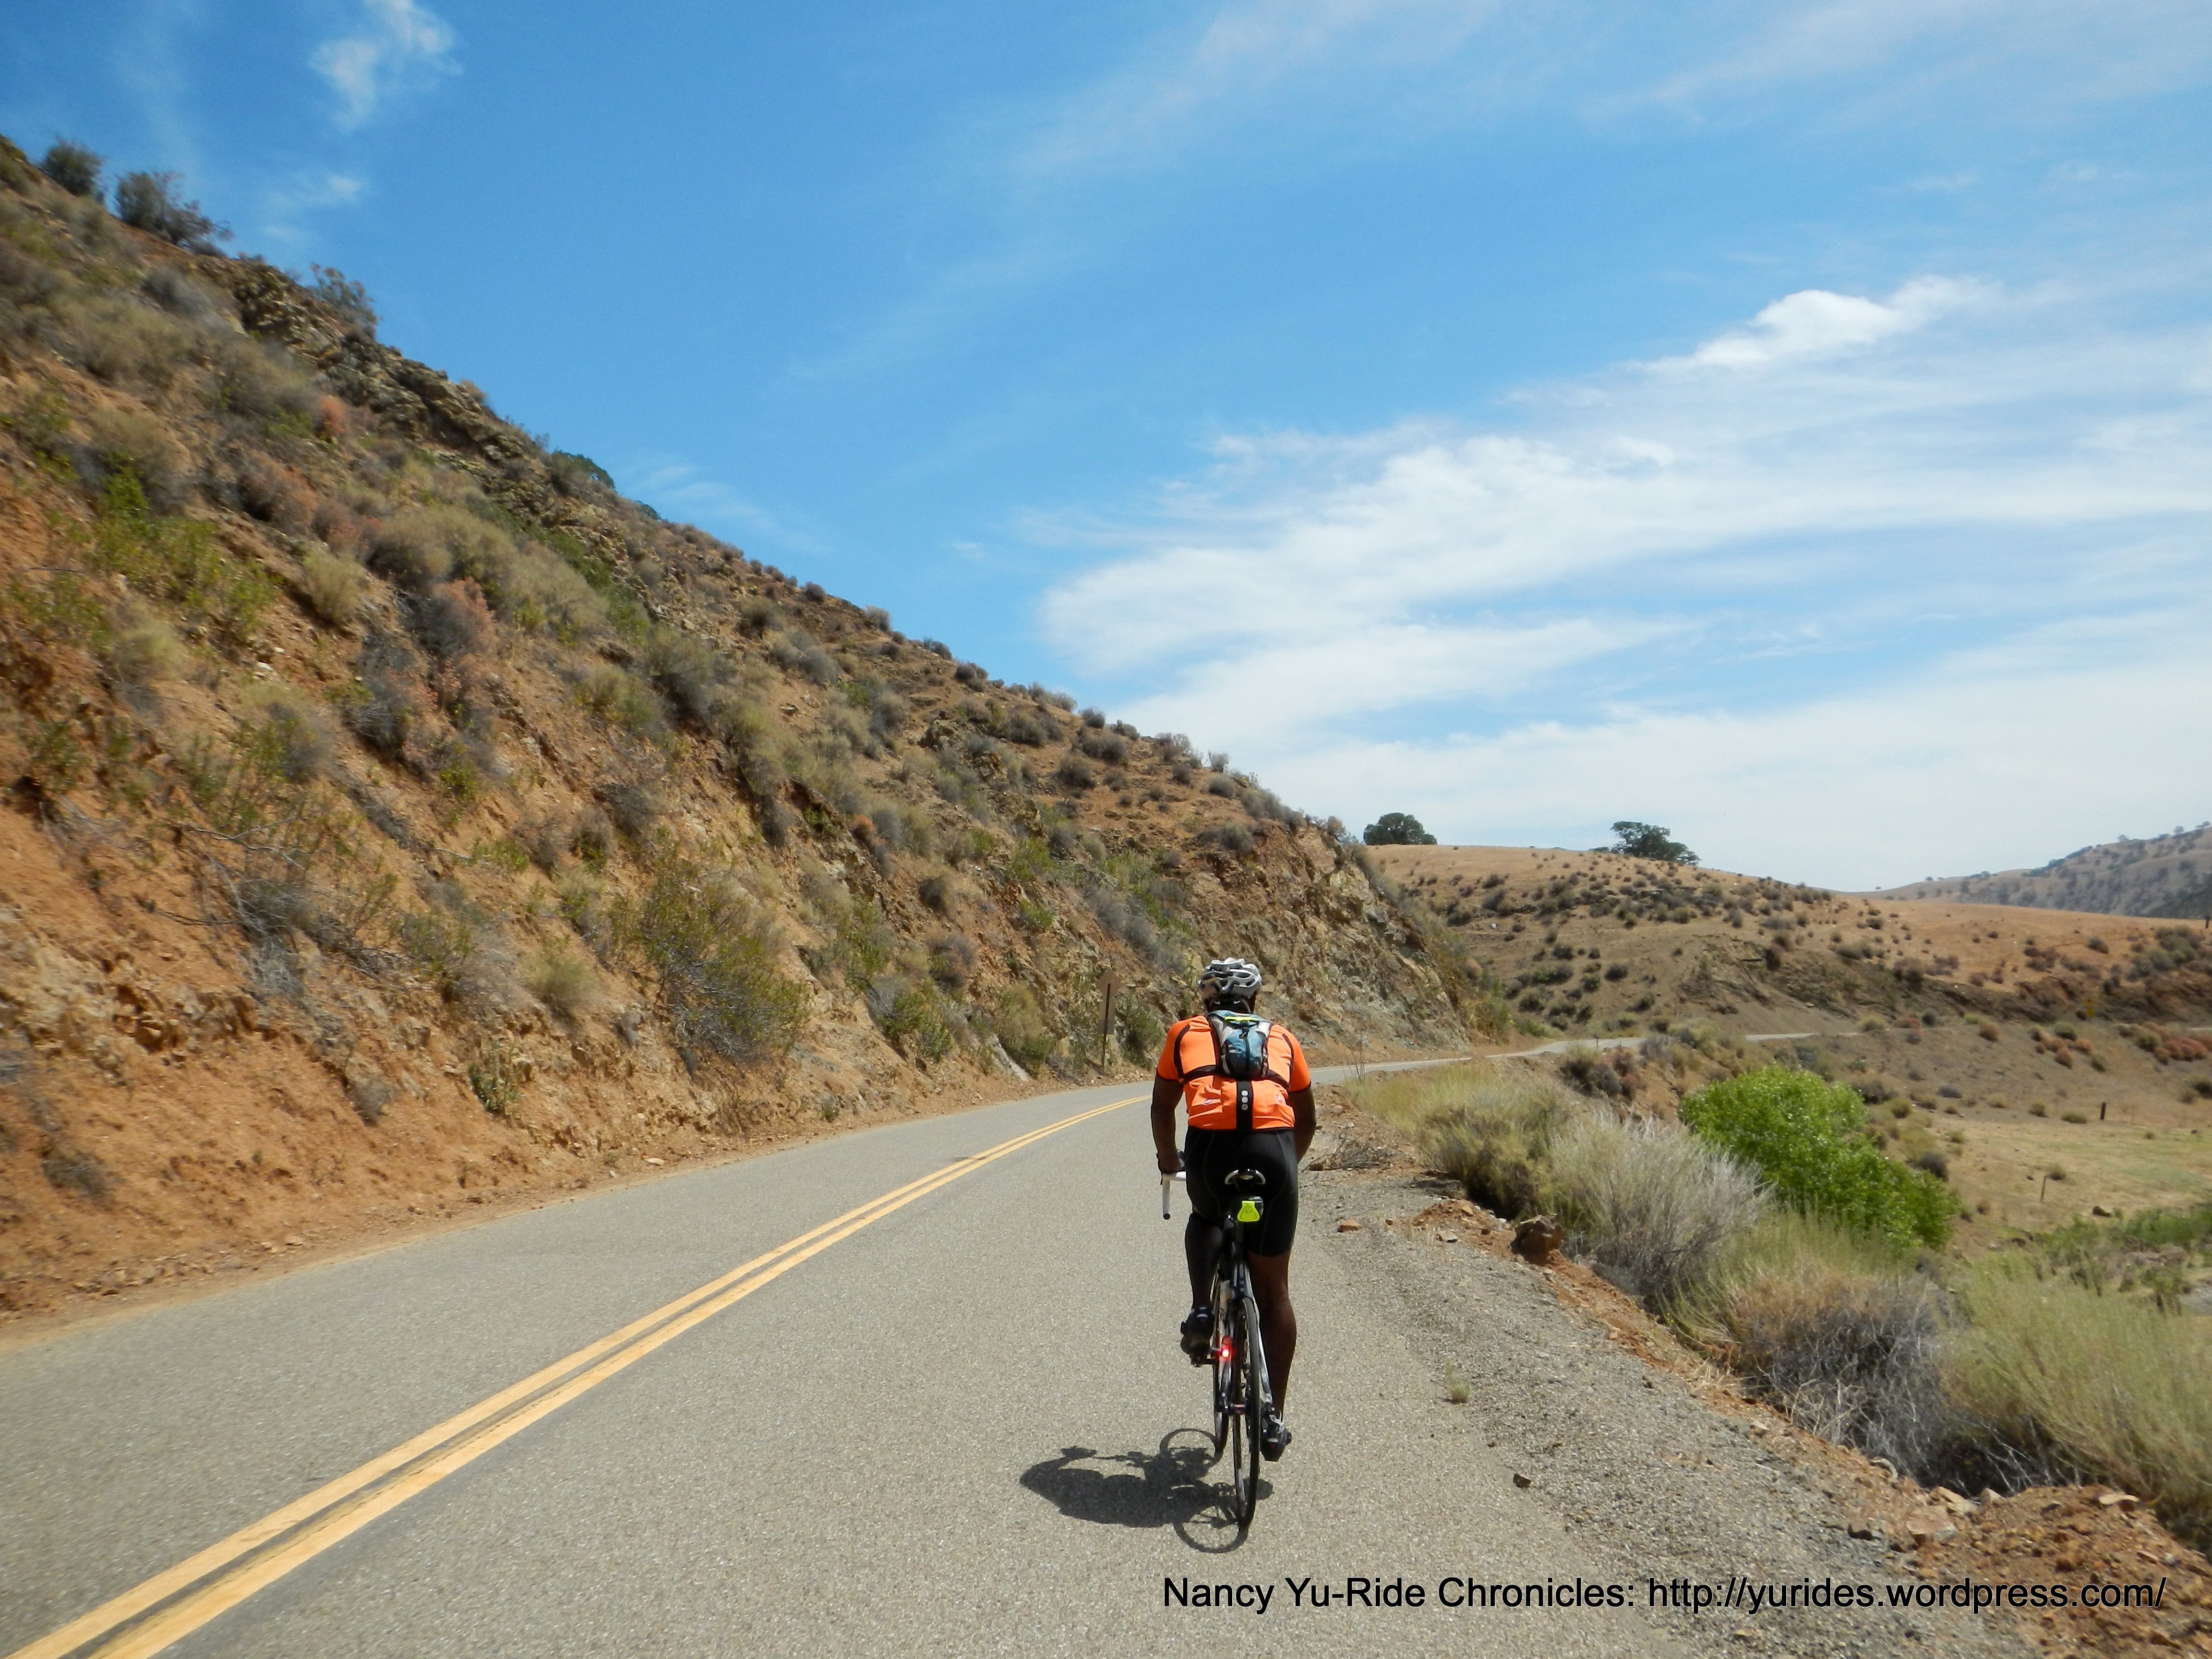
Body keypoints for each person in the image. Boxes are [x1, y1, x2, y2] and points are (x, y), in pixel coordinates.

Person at [1151, 956, 1315, 1460]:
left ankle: (1203, 1310)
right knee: (1274, 1290)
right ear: (1254, 1001)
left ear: (1206, 999)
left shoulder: (1183, 1033)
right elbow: (1307, 1118)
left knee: (1206, 1218)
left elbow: (1162, 1106)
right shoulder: (1283, 1038)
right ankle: (1273, 1418)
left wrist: (1170, 1161)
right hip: (1275, 1153)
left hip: (1211, 1152)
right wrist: (1284, 1171)